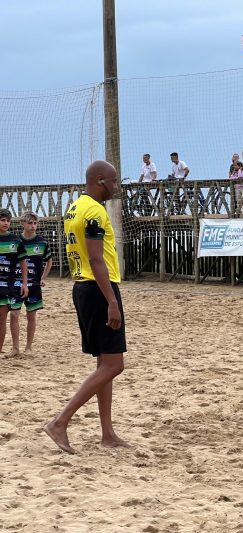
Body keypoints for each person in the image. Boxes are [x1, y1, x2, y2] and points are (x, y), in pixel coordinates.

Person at [44, 160, 129, 454]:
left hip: (82, 287)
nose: (117, 186)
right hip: (97, 289)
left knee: (104, 364)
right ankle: (60, 422)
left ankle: (107, 434)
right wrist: (112, 302)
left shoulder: (74, 207)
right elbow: (96, 259)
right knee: (114, 364)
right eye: (115, 181)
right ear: (101, 180)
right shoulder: (94, 211)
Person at [13, 212, 52, 352]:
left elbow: (49, 261)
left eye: (35, 223)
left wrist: (43, 278)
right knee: (14, 315)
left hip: (34, 285)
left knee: (31, 316)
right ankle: (15, 347)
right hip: (16, 284)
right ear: (22, 224)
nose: (33, 226)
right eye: (30, 223)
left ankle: (28, 347)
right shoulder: (16, 241)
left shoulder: (42, 242)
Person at [0, 208, 29, 358]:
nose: (6, 223)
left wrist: (24, 283)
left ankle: (14, 348)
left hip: (11, 285)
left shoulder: (15, 240)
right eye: (2, 220)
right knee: (3, 317)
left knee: (10, 316)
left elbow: (23, 262)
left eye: (8, 220)